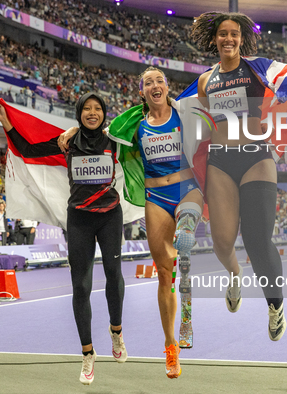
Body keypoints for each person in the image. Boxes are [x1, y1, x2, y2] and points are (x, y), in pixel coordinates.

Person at [59, 67, 204, 379]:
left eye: (159, 81)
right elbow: (98, 133)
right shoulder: (133, 126)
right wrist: (73, 131)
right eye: (148, 82)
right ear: (142, 92)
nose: (155, 85)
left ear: (168, 87)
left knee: (186, 235)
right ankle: (171, 346)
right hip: (156, 197)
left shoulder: (185, 114)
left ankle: (187, 269)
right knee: (165, 273)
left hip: (187, 190)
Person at [190, 12, 287, 341]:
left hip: (256, 157)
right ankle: (234, 275)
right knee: (222, 242)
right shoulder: (205, 81)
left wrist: (285, 109)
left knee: (256, 240)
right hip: (221, 160)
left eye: (234, 34)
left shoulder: (258, 70)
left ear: (241, 39)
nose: (228, 39)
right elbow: (203, 120)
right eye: (222, 33)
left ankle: (275, 305)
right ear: (214, 39)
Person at [0, 93, 128, 385]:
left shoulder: (115, 140)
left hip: (109, 216)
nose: (93, 113)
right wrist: (8, 125)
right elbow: (28, 148)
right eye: (87, 109)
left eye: (98, 109)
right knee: (81, 285)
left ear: (105, 113)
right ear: (79, 113)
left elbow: (141, 128)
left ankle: (116, 332)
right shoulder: (67, 142)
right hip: (79, 218)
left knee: (114, 273)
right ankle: (87, 354)